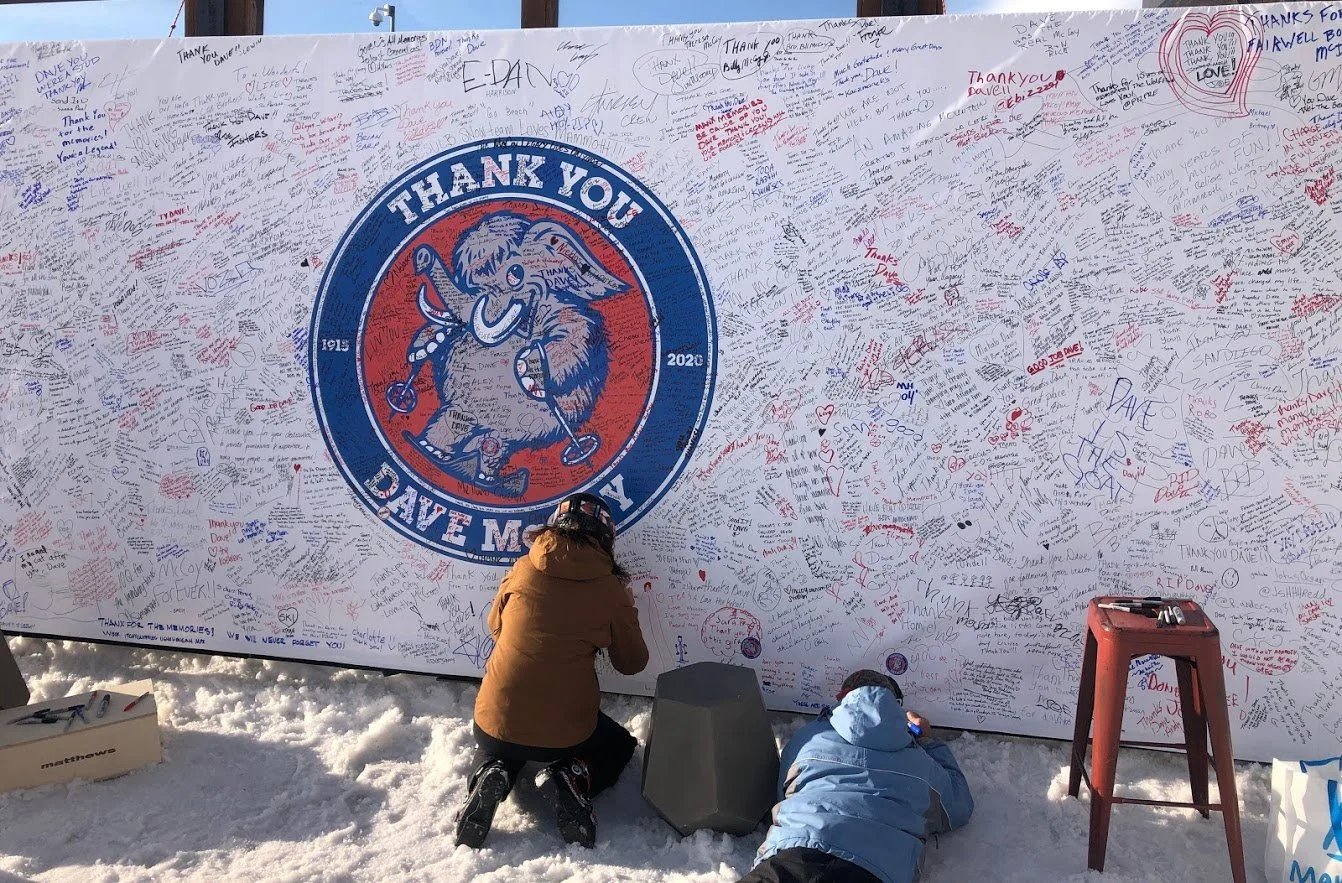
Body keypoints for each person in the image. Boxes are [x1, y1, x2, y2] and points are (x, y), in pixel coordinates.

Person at [454, 492, 649, 850]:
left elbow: (495, 627)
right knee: (619, 744)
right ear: (606, 537)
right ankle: (574, 775)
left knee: (503, 742)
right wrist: (627, 609)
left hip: (494, 720)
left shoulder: (523, 568)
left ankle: (490, 772)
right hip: (566, 734)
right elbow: (632, 663)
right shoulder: (610, 590)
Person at [738, 670, 974, 883]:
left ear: (842, 697)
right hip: (876, 869)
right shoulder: (919, 762)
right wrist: (928, 741)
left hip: (793, 856)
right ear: (897, 708)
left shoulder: (807, 738)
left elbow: (782, 795)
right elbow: (959, 807)